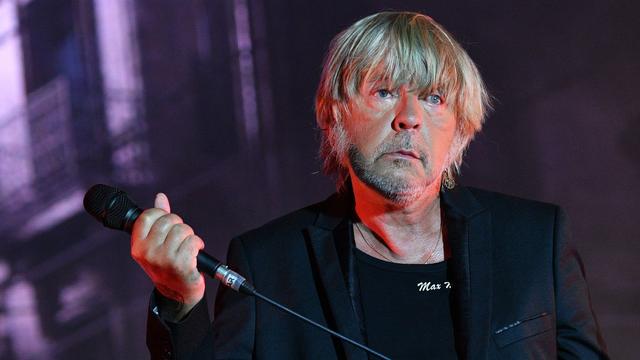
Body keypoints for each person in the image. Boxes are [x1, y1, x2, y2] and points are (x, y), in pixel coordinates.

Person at [131, 11, 608, 359]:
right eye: (383, 92)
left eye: (434, 98)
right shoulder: (267, 265)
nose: (408, 118)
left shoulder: (533, 240)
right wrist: (179, 303)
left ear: (461, 128)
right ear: (334, 114)